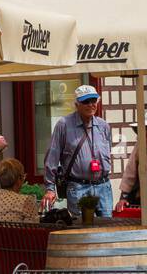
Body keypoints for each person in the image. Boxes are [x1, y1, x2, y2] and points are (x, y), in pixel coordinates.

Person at [41, 85, 114, 217]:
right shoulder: (64, 124)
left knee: (106, 228)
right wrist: (50, 189)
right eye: (86, 101)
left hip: (103, 186)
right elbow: (52, 157)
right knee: (81, 228)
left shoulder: (103, 125)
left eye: (93, 100)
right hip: (78, 186)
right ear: (76, 104)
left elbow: (108, 150)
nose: (91, 104)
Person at [0, 158, 41, 223]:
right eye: (23, 176)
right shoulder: (25, 201)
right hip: (15, 233)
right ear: (19, 178)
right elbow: (33, 229)